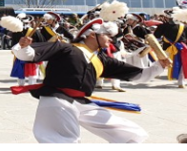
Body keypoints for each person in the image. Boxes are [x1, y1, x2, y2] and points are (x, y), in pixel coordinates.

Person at [12, 17, 168, 143]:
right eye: (107, 36)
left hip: (81, 103)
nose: (111, 41)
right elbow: (29, 55)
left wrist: (159, 66)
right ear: (93, 35)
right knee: (63, 141)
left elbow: (138, 74)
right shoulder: (65, 48)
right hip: (56, 100)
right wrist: (24, 46)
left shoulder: (102, 59)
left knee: (129, 132)